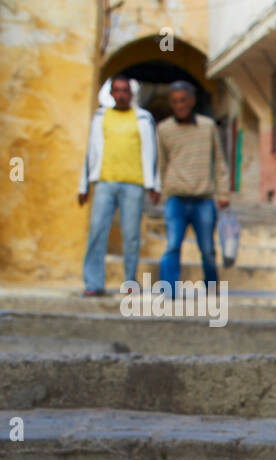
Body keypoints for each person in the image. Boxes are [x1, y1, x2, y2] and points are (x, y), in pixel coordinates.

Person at [78, 75, 160, 296]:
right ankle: (93, 283)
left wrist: (154, 184)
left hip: (134, 185)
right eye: (117, 90)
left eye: (126, 90)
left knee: (131, 236)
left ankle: (130, 282)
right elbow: (90, 153)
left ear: (131, 94)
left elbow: (153, 153)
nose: (122, 94)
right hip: (105, 183)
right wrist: (83, 186)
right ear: (111, 93)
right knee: (97, 232)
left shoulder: (143, 118)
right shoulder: (100, 117)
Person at [155, 80, 230, 294]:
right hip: (176, 199)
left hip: (203, 199)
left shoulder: (208, 126)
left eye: (183, 100)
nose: (180, 105)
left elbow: (219, 161)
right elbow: (162, 163)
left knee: (207, 250)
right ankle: (168, 292)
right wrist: (163, 192)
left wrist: (223, 193)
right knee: (172, 246)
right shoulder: (164, 129)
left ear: (192, 101)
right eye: (175, 101)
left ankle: (212, 287)